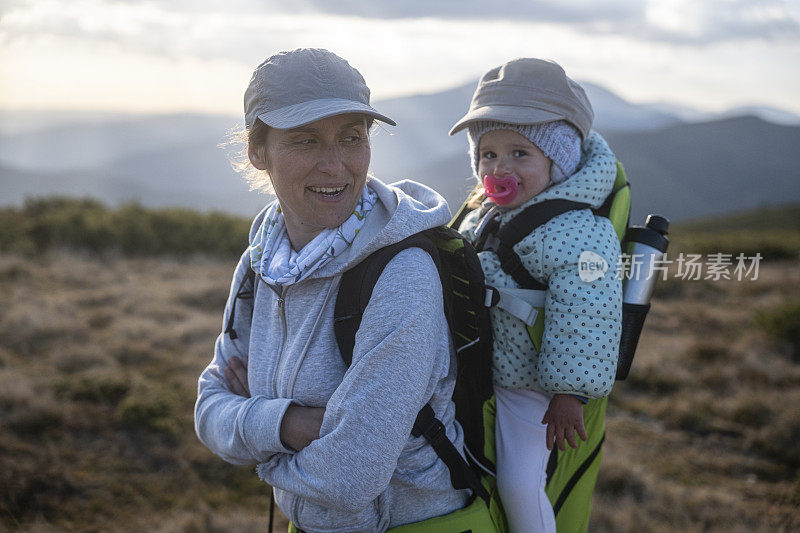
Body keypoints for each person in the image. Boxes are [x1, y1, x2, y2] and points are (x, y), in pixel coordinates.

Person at [194, 48, 470, 532]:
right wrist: (291, 425)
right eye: (305, 141)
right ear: (258, 152)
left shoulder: (402, 272)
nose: (335, 166)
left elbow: (350, 476)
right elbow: (208, 408)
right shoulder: (262, 262)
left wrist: (259, 448)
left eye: (352, 138)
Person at [449, 58, 623, 532]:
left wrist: (569, 393)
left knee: (520, 485)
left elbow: (588, 314)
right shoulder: (482, 214)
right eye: (488, 154)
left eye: (519, 154)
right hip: (482, 368)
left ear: (558, 159)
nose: (499, 167)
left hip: (531, 389)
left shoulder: (577, 232)